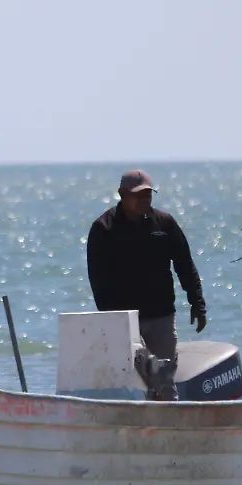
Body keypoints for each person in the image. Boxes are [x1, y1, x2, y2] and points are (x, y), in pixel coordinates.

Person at [85, 169, 207, 399]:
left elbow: (185, 265)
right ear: (122, 194)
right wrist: (113, 319)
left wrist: (197, 303)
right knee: (136, 378)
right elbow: (97, 279)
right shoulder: (104, 228)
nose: (144, 200)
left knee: (164, 381)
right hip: (125, 320)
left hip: (161, 316)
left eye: (148, 195)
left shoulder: (164, 223)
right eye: (138, 195)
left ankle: (168, 425)